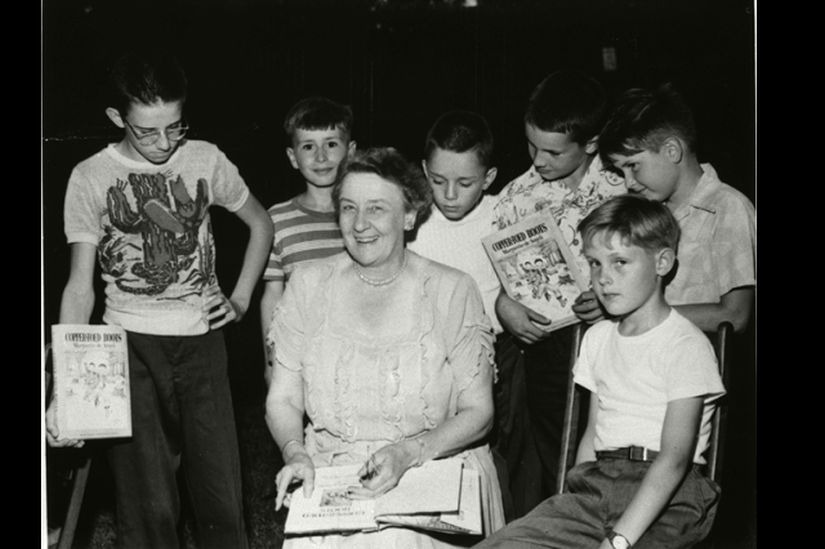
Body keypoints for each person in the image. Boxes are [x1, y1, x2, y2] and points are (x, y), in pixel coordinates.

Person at [45, 49, 273, 549]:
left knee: (221, 498)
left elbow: (261, 223)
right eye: (147, 131)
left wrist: (238, 298)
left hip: (204, 344)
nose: (164, 142)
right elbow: (79, 286)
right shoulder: (89, 176)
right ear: (116, 117)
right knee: (149, 504)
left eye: (175, 127)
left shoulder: (206, 158)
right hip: (131, 349)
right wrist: (66, 381)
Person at [265, 147, 505, 548]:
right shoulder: (307, 286)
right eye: (348, 208)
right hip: (333, 476)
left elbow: (479, 413)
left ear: (409, 216)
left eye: (376, 209)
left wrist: (408, 452)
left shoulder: (451, 290)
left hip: (430, 468)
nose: (360, 225)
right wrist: (295, 453)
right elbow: (284, 399)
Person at [475, 194, 725, 549]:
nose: (603, 279)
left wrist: (619, 541)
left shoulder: (685, 344)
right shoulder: (597, 337)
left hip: (669, 495)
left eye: (620, 262)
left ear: (663, 262)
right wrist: (570, 499)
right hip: (597, 487)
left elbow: (675, 459)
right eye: (594, 264)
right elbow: (592, 436)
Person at [490, 70, 626, 503]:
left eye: (552, 151)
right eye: (532, 145)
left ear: (590, 143)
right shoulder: (516, 195)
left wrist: (611, 300)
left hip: (617, 339)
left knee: (613, 443)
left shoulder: (624, 186)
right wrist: (504, 307)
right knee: (557, 447)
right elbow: (504, 279)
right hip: (550, 346)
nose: (538, 160)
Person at [407, 110, 526, 520]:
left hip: (498, 350)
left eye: (465, 183)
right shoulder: (413, 220)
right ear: (424, 170)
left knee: (503, 451)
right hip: (430, 356)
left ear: (490, 177)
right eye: (438, 181)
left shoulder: (503, 215)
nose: (450, 195)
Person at [597, 84, 755, 333]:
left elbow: (735, 316)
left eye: (633, 166)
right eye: (621, 171)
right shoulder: (645, 212)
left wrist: (642, 313)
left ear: (672, 150)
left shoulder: (727, 208)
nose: (628, 182)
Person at [260, 96, 357, 385]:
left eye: (331, 144)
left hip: (360, 352)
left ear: (350, 151)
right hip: (303, 357)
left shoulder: (364, 215)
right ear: (293, 157)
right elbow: (272, 297)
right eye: (308, 146)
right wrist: (271, 359)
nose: (321, 157)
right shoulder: (277, 219)